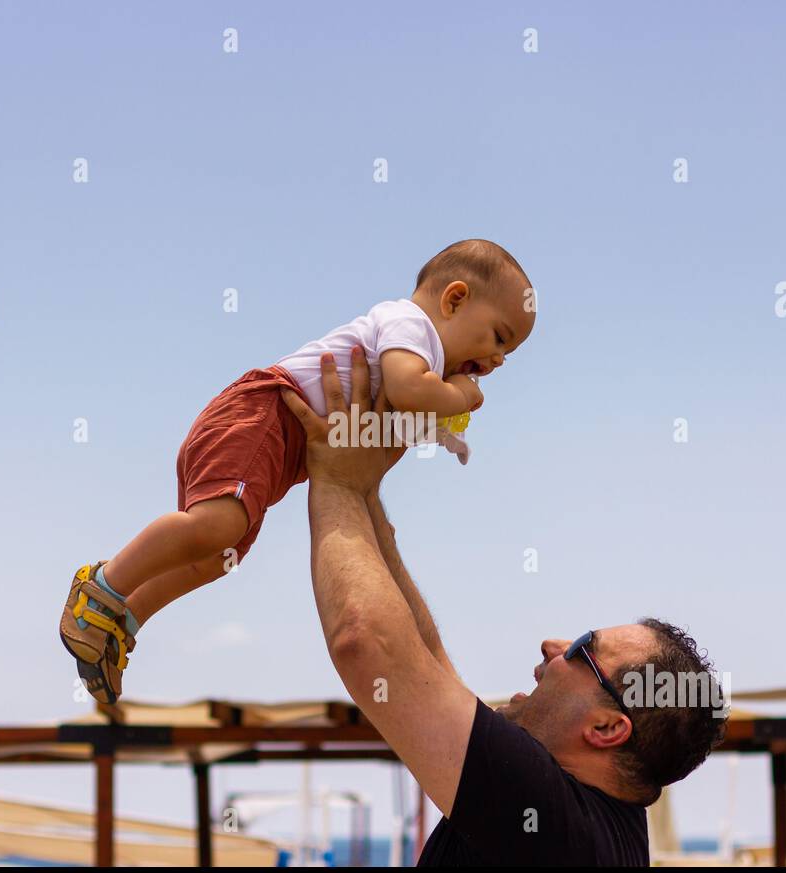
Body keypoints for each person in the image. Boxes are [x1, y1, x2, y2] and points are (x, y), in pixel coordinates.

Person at [279, 348, 729, 865]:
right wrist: (365, 491)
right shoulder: (579, 817)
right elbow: (424, 662)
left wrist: (333, 480)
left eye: (582, 649)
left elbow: (367, 644)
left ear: (606, 729)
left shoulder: (552, 820)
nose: (553, 644)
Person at [57, 239, 535, 704]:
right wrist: (461, 397)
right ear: (455, 298)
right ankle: (99, 588)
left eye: (507, 356)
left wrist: (441, 429)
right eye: (498, 336)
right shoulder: (411, 325)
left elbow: (388, 425)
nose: (496, 360)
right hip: (264, 411)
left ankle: (123, 618)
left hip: (281, 444)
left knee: (220, 552)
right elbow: (409, 390)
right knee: (217, 526)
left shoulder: (423, 351)